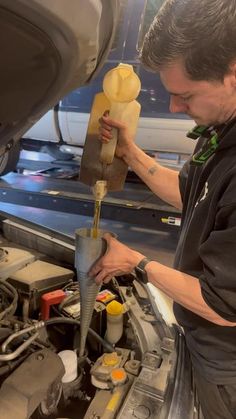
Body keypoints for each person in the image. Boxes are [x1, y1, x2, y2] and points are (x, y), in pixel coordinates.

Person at [90, 0, 236, 418]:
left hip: (226, 363)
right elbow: (191, 194)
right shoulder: (221, 131)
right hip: (202, 341)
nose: (173, 107)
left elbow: (224, 306)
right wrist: (131, 154)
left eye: (184, 95)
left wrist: (135, 262)